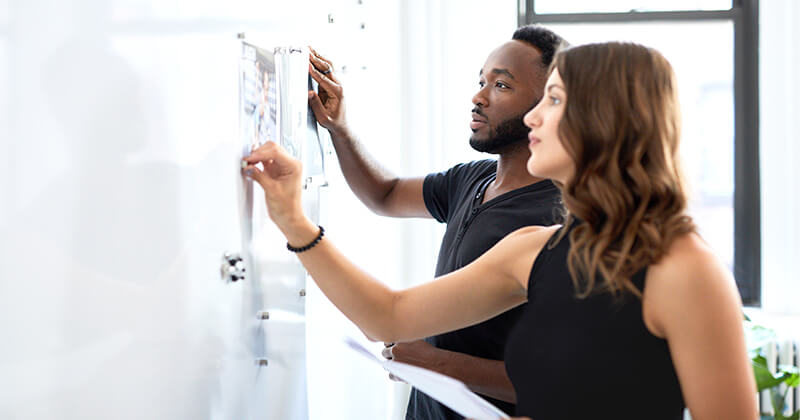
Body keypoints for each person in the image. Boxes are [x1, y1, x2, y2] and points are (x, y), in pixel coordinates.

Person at [243, 41, 758, 420]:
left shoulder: (685, 269)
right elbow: (389, 314)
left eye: (553, 101)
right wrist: (295, 220)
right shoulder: (532, 252)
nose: (535, 118)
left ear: (604, 121)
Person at [306, 25, 567, 419]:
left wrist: (437, 362)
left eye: (501, 85)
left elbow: (564, 380)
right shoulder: (474, 179)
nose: (478, 97)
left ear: (546, 105)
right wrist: (339, 129)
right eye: (482, 80)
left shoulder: (556, 222)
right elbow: (386, 194)